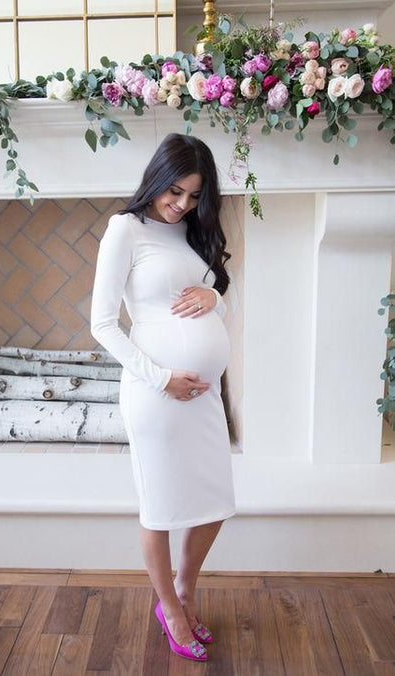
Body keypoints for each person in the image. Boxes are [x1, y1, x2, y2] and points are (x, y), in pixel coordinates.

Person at [91, 132, 235, 662]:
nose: (182, 204)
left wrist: (215, 293)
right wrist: (160, 378)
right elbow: (103, 325)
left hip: (202, 398)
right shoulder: (124, 229)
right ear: (155, 180)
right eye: (174, 191)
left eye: (194, 195)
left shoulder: (194, 233)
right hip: (155, 393)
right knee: (159, 507)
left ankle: (185, 590)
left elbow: (221, 294)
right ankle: (171, 608)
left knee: (215, 502)